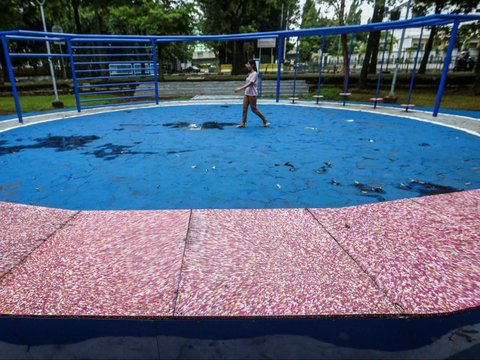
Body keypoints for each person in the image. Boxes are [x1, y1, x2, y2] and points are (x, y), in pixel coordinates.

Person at [234, 60, 269, 128]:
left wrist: (240, 88)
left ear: (252, 65)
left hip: (252, 94)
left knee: (254, 109)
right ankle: (243, 123)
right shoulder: (249, 73)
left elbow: (250, 83)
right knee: (244, 108)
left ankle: (265, 119)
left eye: (248, 64)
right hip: (247, 93)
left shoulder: (255, 74)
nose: (247, 66)